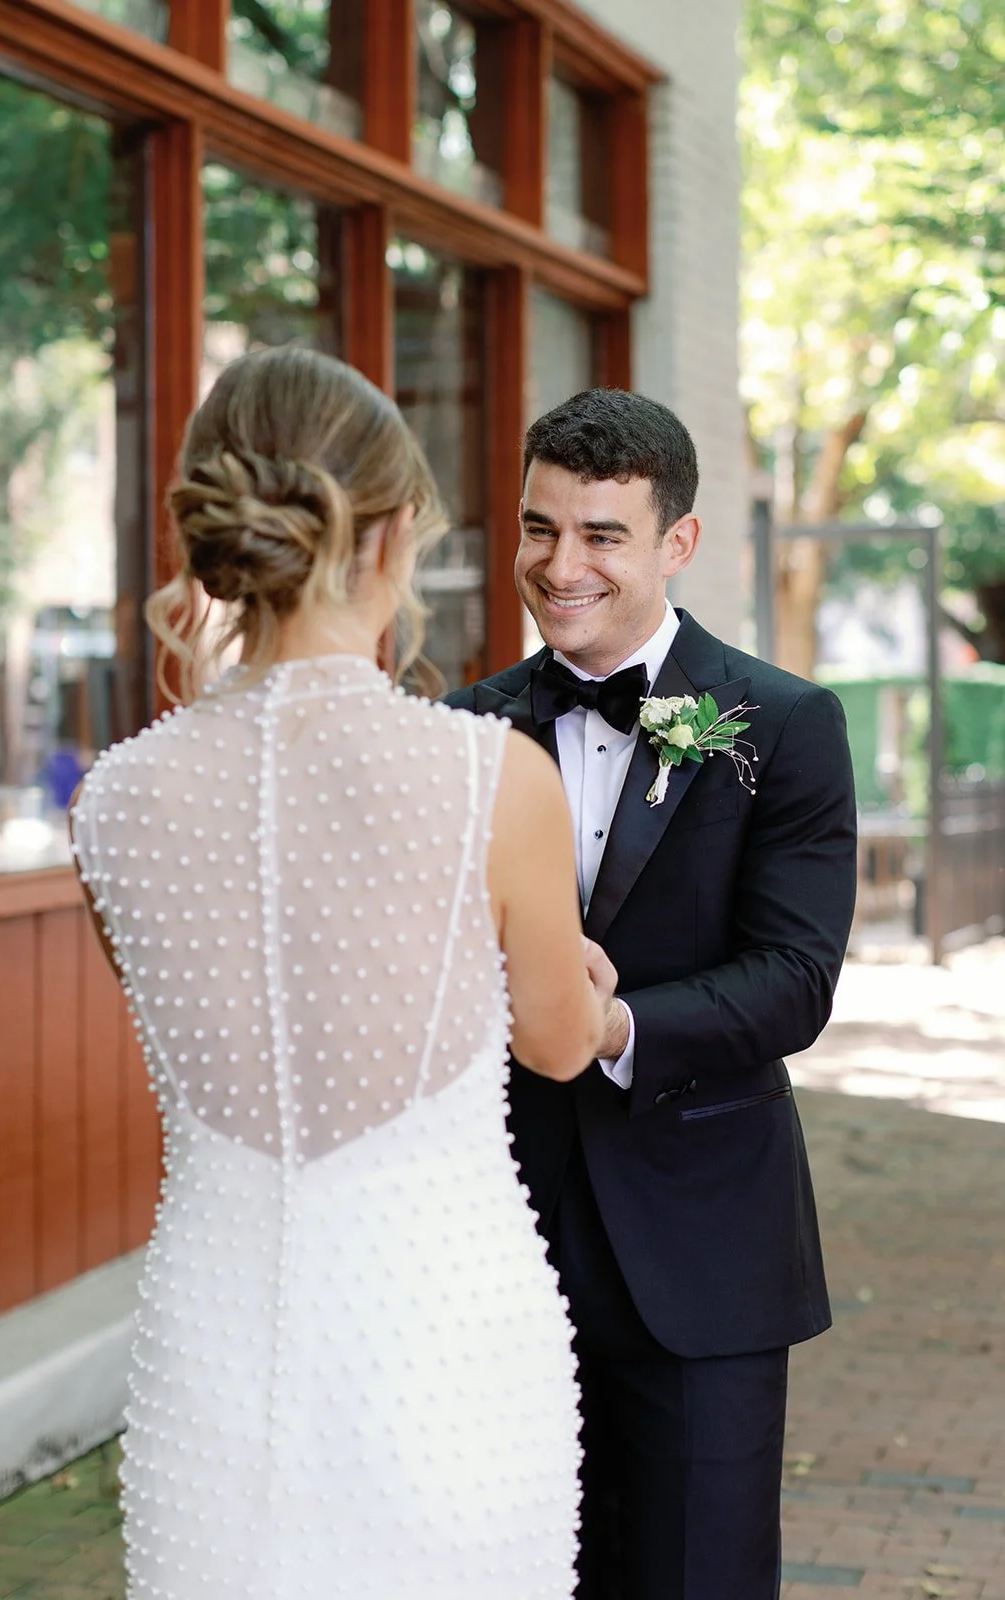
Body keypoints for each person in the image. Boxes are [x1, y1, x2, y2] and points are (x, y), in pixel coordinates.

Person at [70, 345, 616, 1600]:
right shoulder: (491, 777)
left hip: (214, 1346)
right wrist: (572, 967)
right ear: (389, 534)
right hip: (444, 1340)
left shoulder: (115, 802)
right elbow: (558, 1041)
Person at [447, 388, 858, 1600]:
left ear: (676, 542)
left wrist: (610, 1023)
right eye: (537, 529)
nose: (557, 565)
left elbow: (793, 979)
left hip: (703, 1253)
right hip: (496, 1252)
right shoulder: (466, 728)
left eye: (599, 535)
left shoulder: (781, 725)